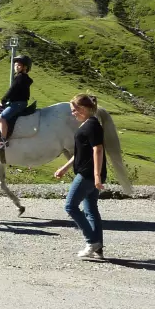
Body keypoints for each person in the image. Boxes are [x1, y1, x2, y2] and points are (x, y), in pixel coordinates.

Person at [55, 93, 105, 260]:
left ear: (83, 108)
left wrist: (97, 176)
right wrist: (64, 168)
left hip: (87, 174)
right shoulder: (88, 124)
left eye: (74, 110)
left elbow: (98, 150)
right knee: (91, 210)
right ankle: (98, 249)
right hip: (88, 173)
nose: (73, 113)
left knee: (70, 206)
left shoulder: (92, 125)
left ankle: (92, 242)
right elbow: (81, 152)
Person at [0, 55, 33, 151]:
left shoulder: (20, 77)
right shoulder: (23, 78)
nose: (16, 67)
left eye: (19, 65)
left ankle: (3, 141)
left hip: (18, 104)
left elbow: (12, 90)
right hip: (19, 102)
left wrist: (3, 100)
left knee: (2, 117)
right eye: (15, 65)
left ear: (25, 67)